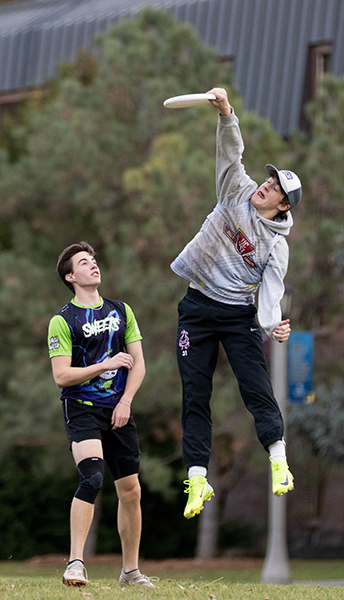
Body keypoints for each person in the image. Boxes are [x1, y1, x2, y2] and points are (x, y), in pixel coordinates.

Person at [172, 88, 301, 519]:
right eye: (269, 179)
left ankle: (278, 459)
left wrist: (271, 324)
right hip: (197, 308)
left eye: (275, 188)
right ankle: (197, 479)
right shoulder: (236, 191)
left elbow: (271, 292)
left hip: (237, 314)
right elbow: (232, 152)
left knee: (256, 388)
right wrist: (226, 112)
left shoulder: (276, 246)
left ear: (283, 206)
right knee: (195, 393)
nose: (266, 185)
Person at [48, 241, 156, 588]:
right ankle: (75, 563)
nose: (93, 265)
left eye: (93, 260)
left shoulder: (121, 311)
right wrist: (104, 365)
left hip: (118, 409)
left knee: (132, 491)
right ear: (70, 276)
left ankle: (131, 572)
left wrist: (126, 402)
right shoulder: (62, 321)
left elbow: (139, 364)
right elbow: (62, 376)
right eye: (84, 262)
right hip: (81, 408)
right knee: (92, 477)